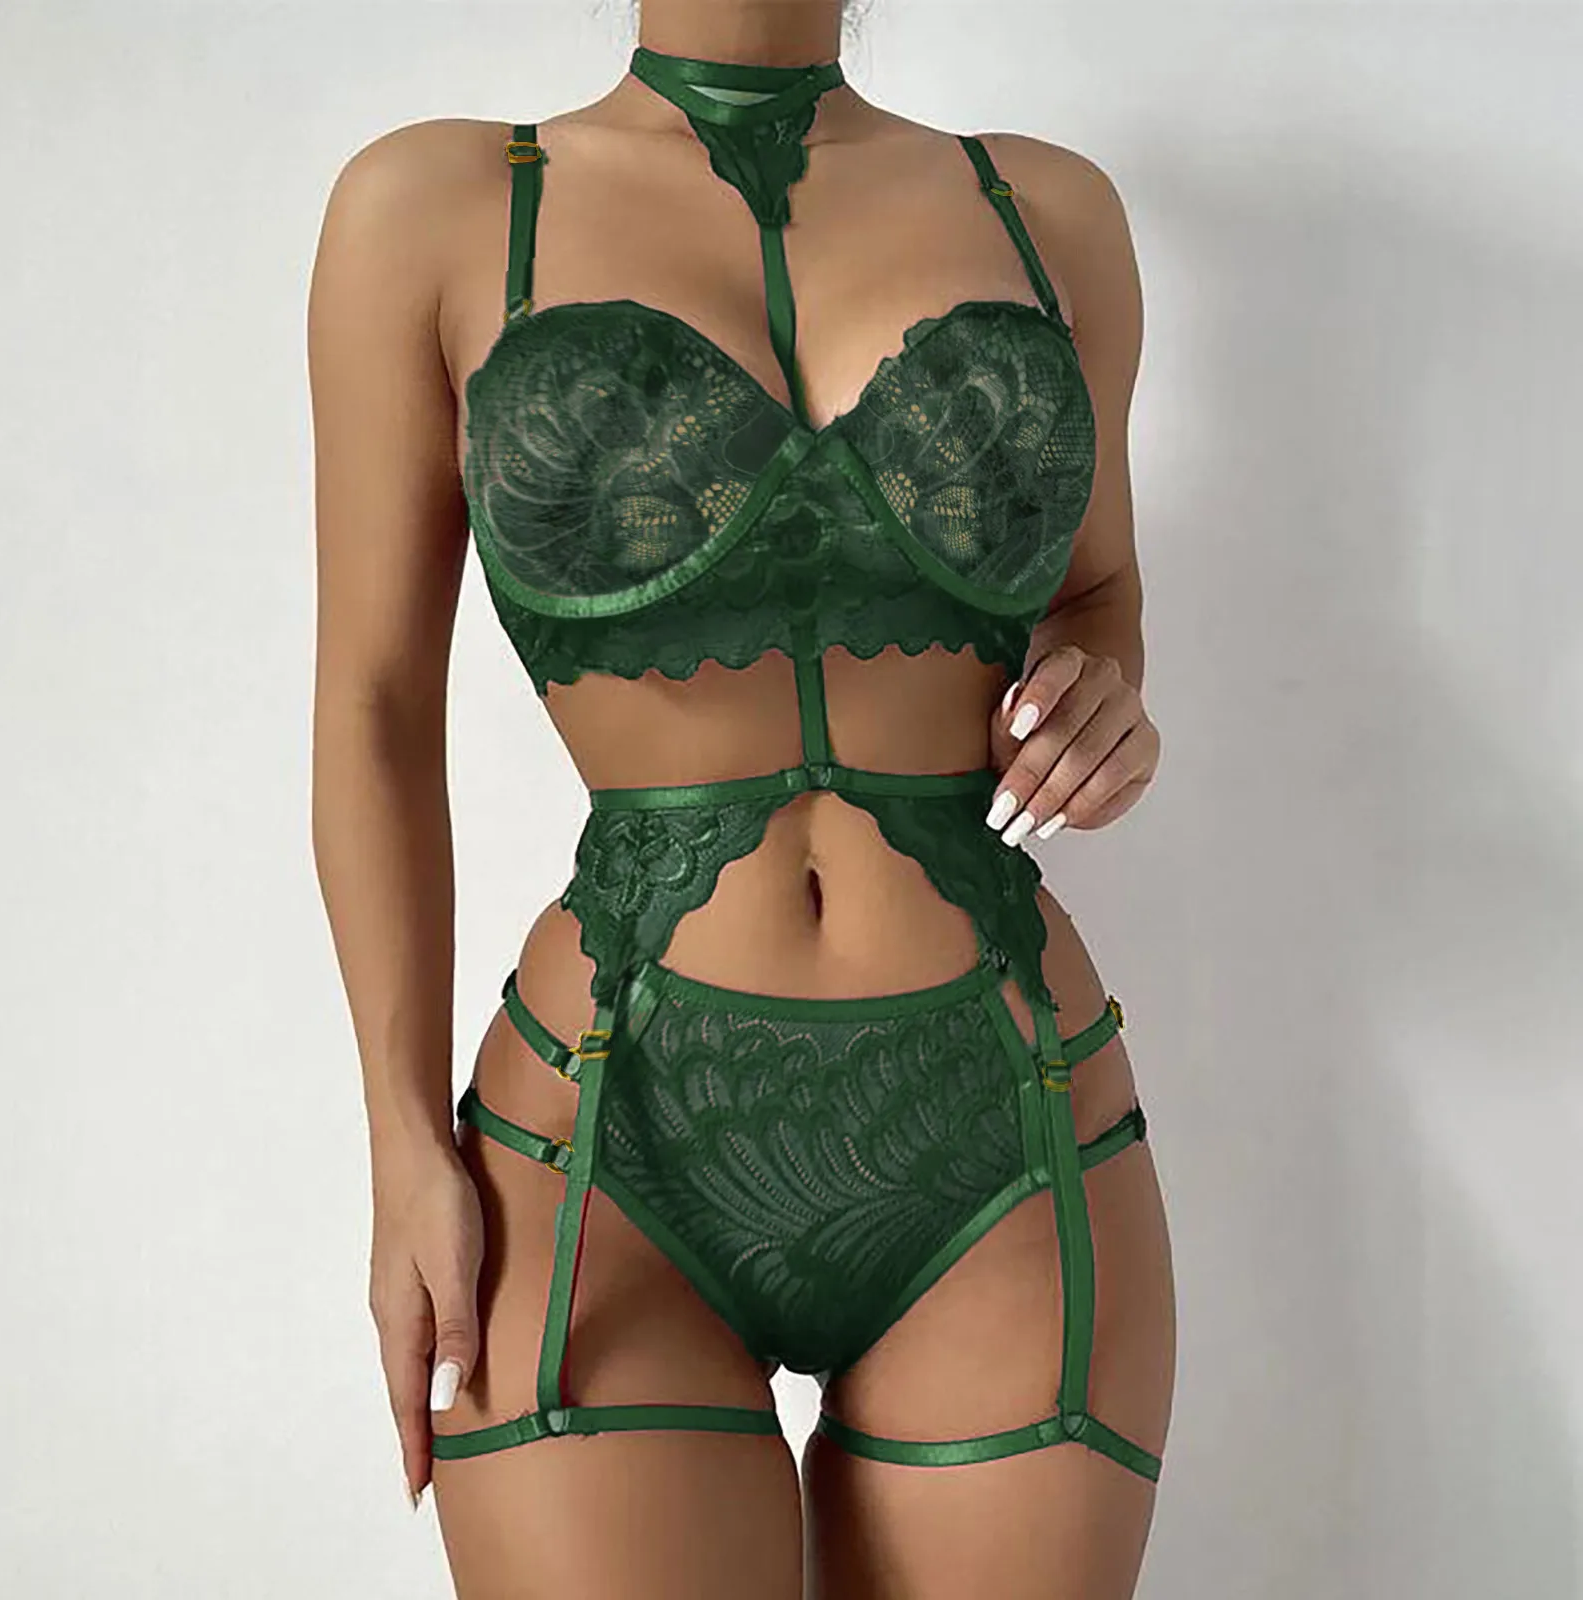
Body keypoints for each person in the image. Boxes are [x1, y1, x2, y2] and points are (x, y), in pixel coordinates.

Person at [309, 0, 1175, 1593]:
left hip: (1011, 1123)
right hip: (603, 1135)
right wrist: (400, 1146)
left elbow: (1098, 592)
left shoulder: (1049, 214)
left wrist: (1102, 695)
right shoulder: (432, 208)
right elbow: (372, 707)